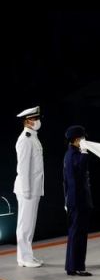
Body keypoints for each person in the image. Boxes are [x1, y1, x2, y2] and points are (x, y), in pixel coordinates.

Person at [14, 106, 44, 268]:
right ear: (28, 121)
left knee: (29, 224)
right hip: (27, 189)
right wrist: (26, 190)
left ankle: (28, 256)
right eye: (35, 119)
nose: (38, 121)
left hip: (34, 188)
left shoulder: (33, 137)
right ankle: (23, 258)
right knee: (24, 224)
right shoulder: (25, 139)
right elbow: (23, 167)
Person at [63, 125, 94, 277]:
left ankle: (73, 266)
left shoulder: (70, 155)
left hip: (75, 201)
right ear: (77, 140)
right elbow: (78, 174)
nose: (84, 141)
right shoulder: (75, 155)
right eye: (82, 138)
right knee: (78, 234)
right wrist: (84, 152)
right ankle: (76, 266)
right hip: (78, 201)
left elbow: (66, 182)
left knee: (76, 234)